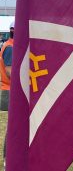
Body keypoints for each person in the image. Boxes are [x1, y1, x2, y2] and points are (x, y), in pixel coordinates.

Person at [0, 21, 14, 168]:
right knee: (13, 128)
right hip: (9, 91)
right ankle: (7, 159)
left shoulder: (11, 45)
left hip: (10, 90)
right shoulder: (10, 47)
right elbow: (10, 72)